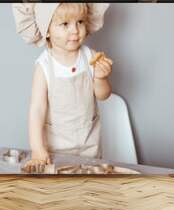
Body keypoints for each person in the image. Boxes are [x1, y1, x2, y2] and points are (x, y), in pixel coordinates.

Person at [12, 3, 113, 173]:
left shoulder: (90, 57)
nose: (75, 30)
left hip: (90, 145)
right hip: (56, 149)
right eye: (65, 24)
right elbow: (37, 109)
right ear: (47, 30)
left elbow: (103, 95)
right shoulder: (43, 66)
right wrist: (37, 148)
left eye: (80, 22)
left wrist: (101, 79)